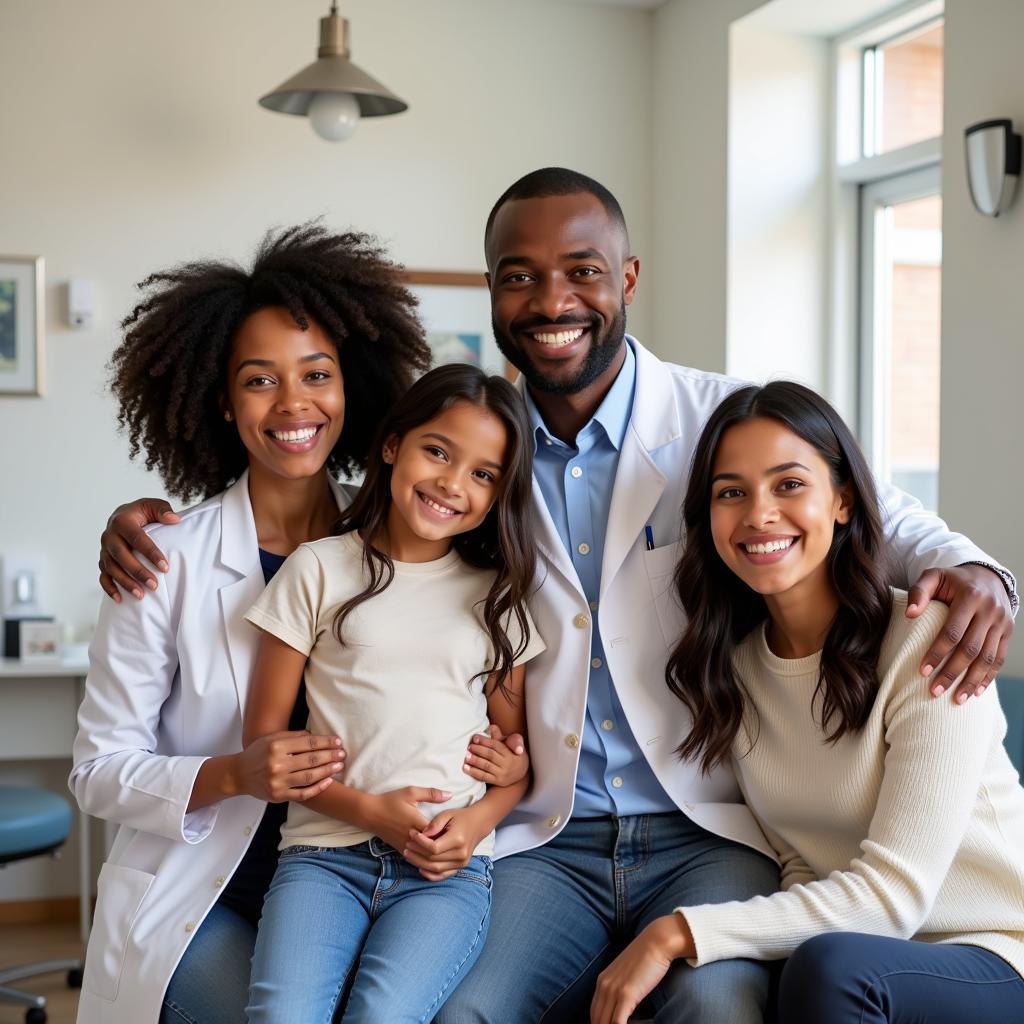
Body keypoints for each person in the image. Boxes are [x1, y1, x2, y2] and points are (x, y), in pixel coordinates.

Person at [98, 169, 1017, 1023]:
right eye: (518, 277)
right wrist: (150, 518)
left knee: (714, 1005)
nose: (551, 302)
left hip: (704, 828)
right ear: (492, 294)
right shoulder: (474, 455)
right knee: (460, 1010)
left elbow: (880, 513)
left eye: (581, 272)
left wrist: (981, 574)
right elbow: (348, 517)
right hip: (548, 837)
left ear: (627, 275)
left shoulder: (718, 421)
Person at [70, 224, 432, 1024]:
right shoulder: (160, 560)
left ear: (353, 392)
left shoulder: (399, 552)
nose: (294, 403)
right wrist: (236, 773)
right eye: (260, 380)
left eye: (317, 375)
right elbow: (97, 769)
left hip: (355, 882)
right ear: (225, 404)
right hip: (205, 895)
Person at [590, 381, 1024, 1024]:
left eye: (789, 484)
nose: (759, 514)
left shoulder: (924, 642)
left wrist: (676, 932)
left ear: (843, 500)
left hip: (991, 954)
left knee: (825, 971)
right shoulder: (735, 668)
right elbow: (800, 862)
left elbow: (895, 898)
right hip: (860, 959)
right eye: (731, 492)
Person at [240, 362, 545, 1023]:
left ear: (499, 494)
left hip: (446, 876)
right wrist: (370, 812)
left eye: (482, 474)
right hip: (322, 857)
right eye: (437, 451)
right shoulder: (317, 568)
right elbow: (264, 745)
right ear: (392, 446)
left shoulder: (498, 599)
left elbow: (514, 768)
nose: (451, 483)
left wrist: (475, 822)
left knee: (381, 1016)